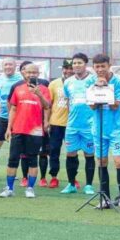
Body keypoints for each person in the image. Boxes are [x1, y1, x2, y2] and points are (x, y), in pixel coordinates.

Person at [0, 63, 51, 198]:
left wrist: (39, 94)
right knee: (13, 159)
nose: (31, 75)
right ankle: (9, 188)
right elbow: (13, 109)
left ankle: (30, 188)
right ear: (24, 73)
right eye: (29, 72)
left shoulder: (44, 89)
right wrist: (9, 127)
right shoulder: (18, 88)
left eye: (34, 72)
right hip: (18, 129)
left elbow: (47, 106)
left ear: (38, 74)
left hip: (35, 131)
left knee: (33, 159)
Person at [87, 54, 120, 209]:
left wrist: (104, 87)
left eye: (103, 66)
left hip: (115, 129)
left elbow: (115, 105)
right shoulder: (90, 81)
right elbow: (92, 106)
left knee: (119, 162)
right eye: (97, 67)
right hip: (98, 128)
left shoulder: (119, 81)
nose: (100, 70)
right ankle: (105, 198)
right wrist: (97, 87)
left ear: (109, 65)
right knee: (102, 161)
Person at [62, 53, 96, 195]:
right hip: (72, 125)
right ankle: (71, 184)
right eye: (74, 63)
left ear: (86, 64)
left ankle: (88, 185)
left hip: (89, 125)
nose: (76, 65)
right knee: (70, 154)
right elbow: (69, 101)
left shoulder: (94, 80)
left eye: (79, 63)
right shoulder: (68, 81)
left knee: (89, 154)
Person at [47, 59, 74, 188]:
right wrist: (46, 121)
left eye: (70, 68)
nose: (68, 71)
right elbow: (48, 104)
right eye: (66, 68)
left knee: (72, 152)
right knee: (54, 150)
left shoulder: (78, 84)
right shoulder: (53, 84)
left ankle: (72, 179)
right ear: (62, 69)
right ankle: (54, 177)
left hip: (73, 123)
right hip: (56, 123)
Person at [0, 57, 21, 178]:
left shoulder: (20, 80)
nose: (8, 67)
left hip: (18, 118)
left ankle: (12, 173)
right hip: (3, 117)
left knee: (15, 145)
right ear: (2, 67)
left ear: (15, 66)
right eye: (6, 65)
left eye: (11, 65)